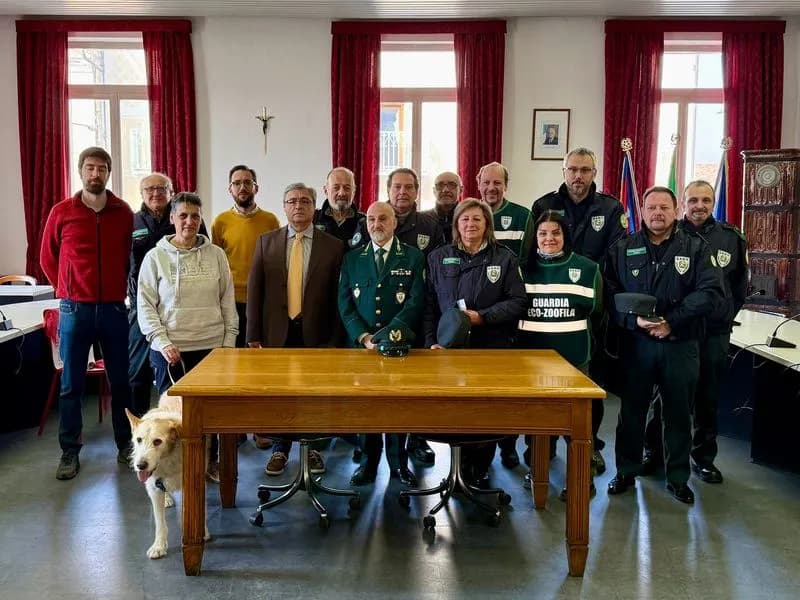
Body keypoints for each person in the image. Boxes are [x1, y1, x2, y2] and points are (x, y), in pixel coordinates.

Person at [604, 186, 724, 505]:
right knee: (631, 414)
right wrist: (635, 322)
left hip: (680, 343)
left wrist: (672, 321)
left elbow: (710, 292)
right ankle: (626, 471)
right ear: (642, 211)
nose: (657, 212)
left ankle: (678, 477)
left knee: (678, 414)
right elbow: (609, 294)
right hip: (637, 344)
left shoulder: (696, 247)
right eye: (651, 207)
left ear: (675, 210)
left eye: (664, 207)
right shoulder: (622, 247)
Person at [643, 180, 748, 484]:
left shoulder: (730, 238)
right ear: (683, 206)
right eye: (693, 200)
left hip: (713, 333)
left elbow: (739, 287)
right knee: (664, 395)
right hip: (677, 331)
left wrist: (724, 317)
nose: (699, 206)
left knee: (708, 395)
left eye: (706, 200)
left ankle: (703, 458)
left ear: (713, 202)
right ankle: (654, 451)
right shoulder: (672, 236)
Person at [40, 146, 134, 480]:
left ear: (109, 172)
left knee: (121, 381)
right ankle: (69, 451)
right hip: (74, 309)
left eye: (102, 168)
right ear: (80, 171)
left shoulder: (123, 212)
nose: (96, 174)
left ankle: (126, 444)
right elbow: (47, 257)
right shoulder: (62, 211)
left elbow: (128, 257)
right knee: (71, 384)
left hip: (112, 309)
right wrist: (65, 288)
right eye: (90, 168)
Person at [532, 147, 627, 474]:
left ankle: (588, 444)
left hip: (588, 306)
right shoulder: (544, 206)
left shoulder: (610, 208)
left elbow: (616, 258)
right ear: (563, 171)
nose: (578, 176)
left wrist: (588, 282)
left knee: (588, 387)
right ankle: (540, 446)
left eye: (585, 170)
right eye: (572, 169)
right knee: (540, 388)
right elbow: (532, 251)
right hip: (546, 307)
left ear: (594, 173)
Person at [424, 198, 527, 486]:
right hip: (448, 350)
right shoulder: (438, 256)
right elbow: (429, 305)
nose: (470, 224)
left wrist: (482, 316)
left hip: (490, 348)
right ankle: (458, 468)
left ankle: (480, 470)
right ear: (456, 224)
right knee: (455, 412)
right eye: (465, 219)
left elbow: (519, 302)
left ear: (487, 225)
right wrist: (431, 342)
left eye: (477, 220)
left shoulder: (504, 258)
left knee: (486, 412)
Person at [247, 183, 345, 477]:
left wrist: (336, 339)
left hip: (317, 333)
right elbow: (255, 290)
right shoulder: (267, 242)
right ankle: (280, 448)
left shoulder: (334, 246)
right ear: (284, 206)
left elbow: (339, 296)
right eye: (292, 201)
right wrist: (254, 335)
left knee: (314, 394)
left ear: (315, 206)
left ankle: (312, 447)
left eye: (305, 201)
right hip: (277, 332)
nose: (298, 206)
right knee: (280, 394)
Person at [338, 202, 426, 487]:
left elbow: (416, 301)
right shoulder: (352, 259)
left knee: (399, 407)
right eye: (372, 219)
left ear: (394, 223)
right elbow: (345, 303)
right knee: (365, 408)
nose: (377, 224)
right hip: (363, 350)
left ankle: (399, 464)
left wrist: (390, 334)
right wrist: (363, 337)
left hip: (399, 348)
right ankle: (368, 463)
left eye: (383, 219)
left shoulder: (412, 257)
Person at [516, 210, 602, 499]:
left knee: (577, 427)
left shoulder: (588, 268)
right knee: (537, 424)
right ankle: (537, 470)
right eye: (543, 233)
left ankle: (582, 477)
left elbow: (598, 311)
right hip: (531, 364)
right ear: (534, 237)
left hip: (574, 362)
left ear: (565, 235)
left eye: (555, 233)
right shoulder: (521, 268)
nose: (549, 238)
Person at [137, 191, 238, 399]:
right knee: (175, 420)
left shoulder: (217, 255)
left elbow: (227, 301)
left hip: (212, 348)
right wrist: (163, 342)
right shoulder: (154, 258)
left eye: (195, 216)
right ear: (172, 218)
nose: (189, 222)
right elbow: (145, 306)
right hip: (171, 350)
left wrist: (229, 343)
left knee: (213, 414)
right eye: (183, 215)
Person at [128, 173, 210, 419]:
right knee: (137, 372)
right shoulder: (132, 222)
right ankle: (142, 426)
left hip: (179, 311)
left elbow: (203, 257)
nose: (156, 193)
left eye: (162, 188)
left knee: (184, 376)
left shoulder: (187, 218)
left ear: (171, 192)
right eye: (149, 189)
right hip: (141, 306)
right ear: (142, 194)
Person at [211, 165, 280, 451]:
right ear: (230, 189)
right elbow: (215, 262)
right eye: (237, 183)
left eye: (248, 182)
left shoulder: (271, 220)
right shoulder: (220, 222)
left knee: (261, 370)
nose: (242, 187)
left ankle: (262, 427)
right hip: (231, 304)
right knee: (233, 369)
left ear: (256, 187)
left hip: (263, 304)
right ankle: (235, 425)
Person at [476, 161, 534, 467]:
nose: (491, 188)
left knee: (510, 388)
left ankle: (508, 444)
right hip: (477, 315)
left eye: (497, 183)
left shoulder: (523, 216)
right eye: (486, 182)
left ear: (506, 186)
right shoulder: (470, 212)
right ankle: (479, 443)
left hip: (509, 311)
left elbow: (526, 261)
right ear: (478, 184)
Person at [385, 167, 444, 465]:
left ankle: (417, 440)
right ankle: (370, 441)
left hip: (418, 314)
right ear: (388, 189)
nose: (402, 192)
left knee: (416, 386)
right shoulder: (375, 218)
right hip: (383, 318)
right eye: (397, 187)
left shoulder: (429, 225)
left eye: (409, 187)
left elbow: (435, 273)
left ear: (417, 191)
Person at [314, 166, 367, 249]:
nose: (341, 193)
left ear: (354, 191)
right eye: (336, 187)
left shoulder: (365, 222)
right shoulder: (313, 219)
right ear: (325, 190)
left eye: (347, 188)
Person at [421, 171, 462, 244]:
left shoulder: (468, 219)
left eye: (451, 185)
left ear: (461, 190)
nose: (445, 190)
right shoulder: (422, 219)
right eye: (440, 185)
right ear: (434, 191)